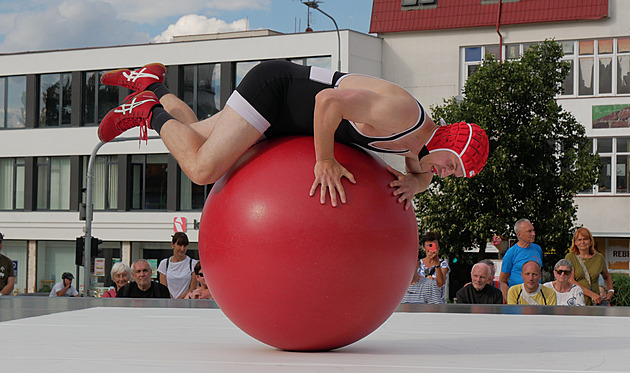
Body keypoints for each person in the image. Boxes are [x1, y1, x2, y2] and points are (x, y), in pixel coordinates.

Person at [97, 61, 489, 209]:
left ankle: (151, 85)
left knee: (192, 136)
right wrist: (324, 160)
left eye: (453, 176)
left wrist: (417, 185)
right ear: (448, 142)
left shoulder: (417, 147)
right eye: (451, 166)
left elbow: (418, 173)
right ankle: (147, 111)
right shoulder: (402, 115)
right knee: (202, 168)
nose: (445, 175)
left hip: (287, 117)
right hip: (277, 92)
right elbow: (327, 103)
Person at [565, 227, 613, 306]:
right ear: (575, 243)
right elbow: (571, 280)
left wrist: (611, 291)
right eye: (579, 240)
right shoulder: (570, 257)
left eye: (585, 239)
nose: (582, 242)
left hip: (595, 302)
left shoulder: (599, 257)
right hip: (576, 302)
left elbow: (606, 276)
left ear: (591, 241)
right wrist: (592, 294)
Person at [499, 219, 543, 301]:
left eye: (533, 230)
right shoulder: (511, 253)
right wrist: (509, 300)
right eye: (529, 231)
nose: (533, 234)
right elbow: (502, 281)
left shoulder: (537, 249)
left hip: (537, 297)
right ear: (519, 234)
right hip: (518, 298)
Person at [402, 232, 450, 304]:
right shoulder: (417, 263)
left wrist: (437, 263)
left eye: (434, 245)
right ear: (424, 248)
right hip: (419, 298)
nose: (430, 248)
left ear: (438, 247)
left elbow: (440, 283)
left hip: (436, 299)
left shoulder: (442, 264)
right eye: (428, 245)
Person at [157, 232, 198, 299]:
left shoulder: (192, 263)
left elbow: (193, 288)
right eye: (179, 245)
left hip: (186, 303)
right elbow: (163, 288)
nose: (182, 249)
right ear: (172, 244)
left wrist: (179, 300)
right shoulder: (164, 264)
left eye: (185, 246)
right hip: (168, 303)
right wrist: (172, 301)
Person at [0, 232, 15, 297]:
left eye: (0, 243)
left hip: (2, 300)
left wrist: (0, 294)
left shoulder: (7, 261)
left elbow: (11, 283)